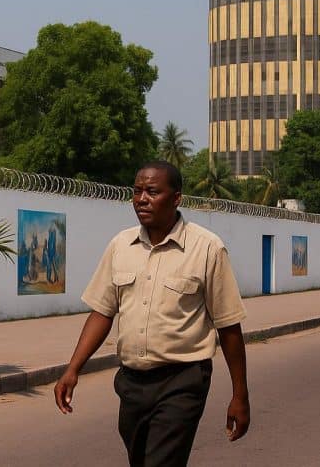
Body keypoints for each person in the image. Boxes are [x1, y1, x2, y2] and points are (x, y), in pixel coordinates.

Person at [54, 161, 249, 467]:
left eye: (152, 191)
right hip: (131, 384)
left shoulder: (207, 248)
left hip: (182, 381)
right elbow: (103, 312)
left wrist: (240, 395)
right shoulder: (121, 246)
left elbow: (228, 326)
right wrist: (73, 368)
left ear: (176, 198)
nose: (141, 199)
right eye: (137, 191)